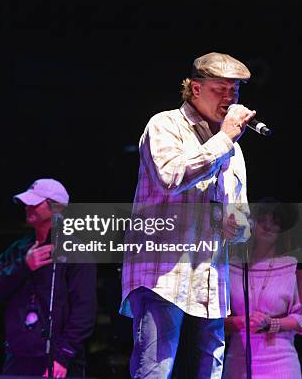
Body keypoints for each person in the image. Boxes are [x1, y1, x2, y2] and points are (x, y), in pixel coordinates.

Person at [120, 52, 257, 378]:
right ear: (195, 89)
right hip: (164, 278)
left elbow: (242, 223)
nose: (230, 98)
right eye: (220, 89)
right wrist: (224, 138)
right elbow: (170, 178)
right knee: (155, 371)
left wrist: (237, 226)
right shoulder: (165, 125)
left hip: (212, 284)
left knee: (210, 373)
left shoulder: (233, 149)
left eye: (235, 91)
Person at [0, 178, 97, 377]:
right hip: (18, 358)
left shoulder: (77, 252)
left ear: (55, 207)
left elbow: (84, 311)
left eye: (34, 203)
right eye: (26, 202)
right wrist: (23, 266)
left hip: (59, 361)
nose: (27, 207)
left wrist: (63, 356)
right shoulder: (18, 249)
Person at [223, 198, 302, 378]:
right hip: (238, 361)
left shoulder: (291, 267)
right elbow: (214, 320)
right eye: (262, 220)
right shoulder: (233, 267)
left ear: (281, 230)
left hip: (281, 363)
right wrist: (240, 322)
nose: (267, 226)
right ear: (251, 224)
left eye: (275, 222)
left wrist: (272, 324)